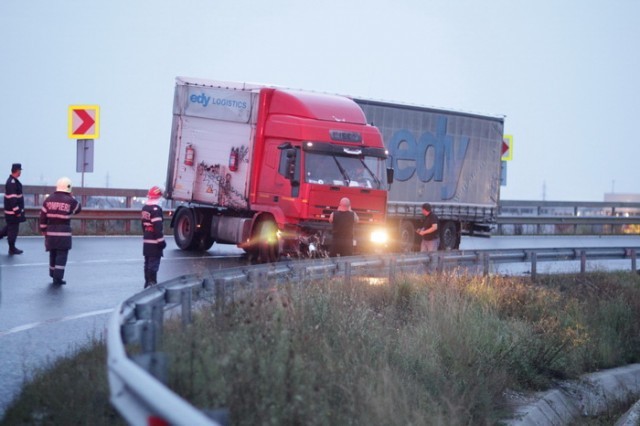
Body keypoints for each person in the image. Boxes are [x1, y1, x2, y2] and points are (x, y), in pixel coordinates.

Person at [39, 177, 82, 285]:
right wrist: (72, 197)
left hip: (50, 231)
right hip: (63, 232)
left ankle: (52, 273)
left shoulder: (48, 200)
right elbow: (78, 209)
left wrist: (43, 229)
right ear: (69, 188)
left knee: (52, 253)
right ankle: (57, 278)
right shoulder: (70, 200)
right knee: (62, 255)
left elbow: (43, 216)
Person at [141, 186, 166, 288]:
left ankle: (147, 282)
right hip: (154, 241)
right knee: (154, 264)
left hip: (147, 239)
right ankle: (152, 283)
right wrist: (161, 242)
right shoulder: (156, 210)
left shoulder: (145, 208)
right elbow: (158, 227)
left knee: (147, 263)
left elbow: (143, 224)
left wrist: (146, 234)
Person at [0, 163, 26, 255]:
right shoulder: (12, 182)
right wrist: (17, 211)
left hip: (11, 212)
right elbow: (12, 198)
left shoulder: (13, 181)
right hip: (13, 213)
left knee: (8, 228)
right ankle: (12, 248)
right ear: (17, 171)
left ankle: (10, 245)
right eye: (20, 170)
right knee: (13, 230)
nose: (20, 172)